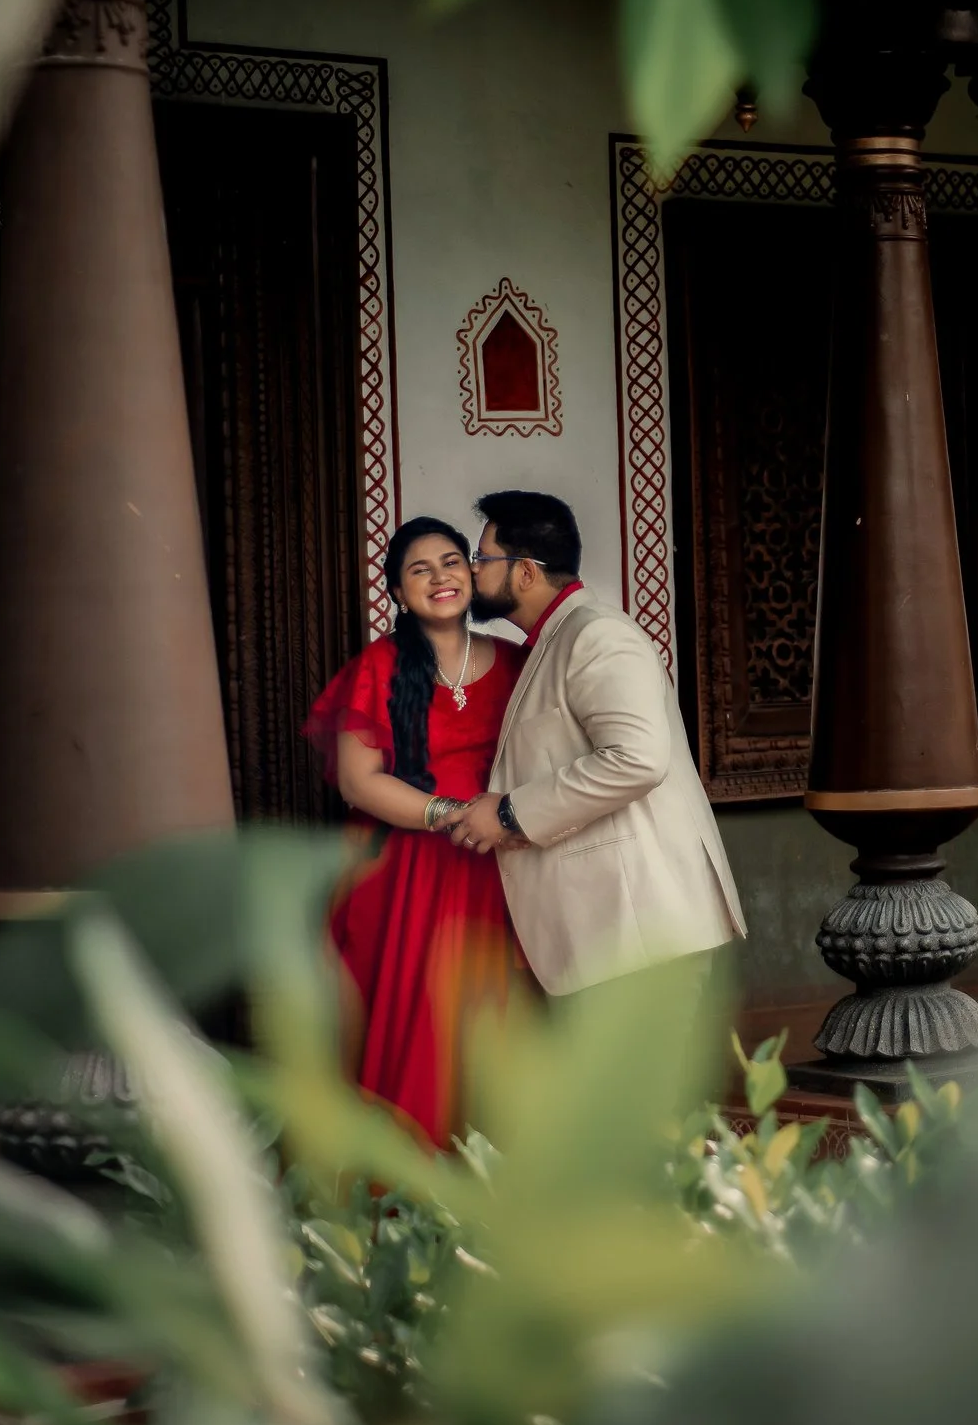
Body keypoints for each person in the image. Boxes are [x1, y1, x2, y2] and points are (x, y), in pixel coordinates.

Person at [441, 490, 746, 994]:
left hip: (644, 931)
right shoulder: (554, 641)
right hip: (613, 934)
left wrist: (508, 813)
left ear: (525, 572)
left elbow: (638, 760)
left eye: (483, 558)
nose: (473, 571)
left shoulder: (597, 635)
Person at [304, 515, 523, 1146]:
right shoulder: (378, 666)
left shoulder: (517, 664)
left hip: (501, 866)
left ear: (473, 575)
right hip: (406, 873)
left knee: (497, 1019)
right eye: (418, 569)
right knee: (418, 1021)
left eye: (453, 561)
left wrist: (500, 822)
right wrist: (450, 814)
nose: (440, 577)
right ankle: (410, 1192)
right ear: (398, 593)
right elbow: (356, 780)